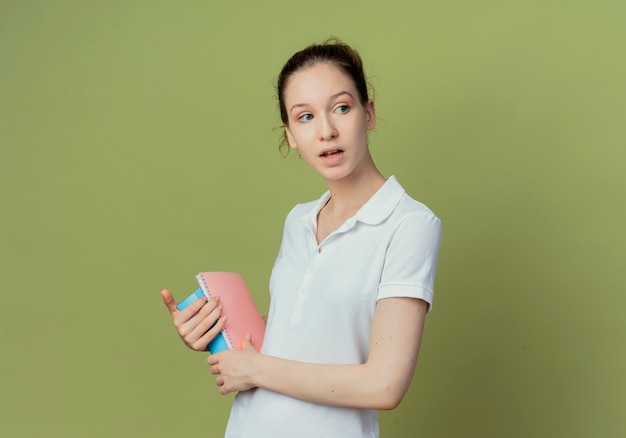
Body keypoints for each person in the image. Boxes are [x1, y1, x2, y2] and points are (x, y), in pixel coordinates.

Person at [161, 38, 442, 438]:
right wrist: (211, 329)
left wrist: (255, 369)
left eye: (341, 108)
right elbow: (293, 335)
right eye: (305, 117)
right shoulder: (298, 221)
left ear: (369, 114)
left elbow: (385, 384)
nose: (326, 131)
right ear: (290, 134)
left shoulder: (409, 224)